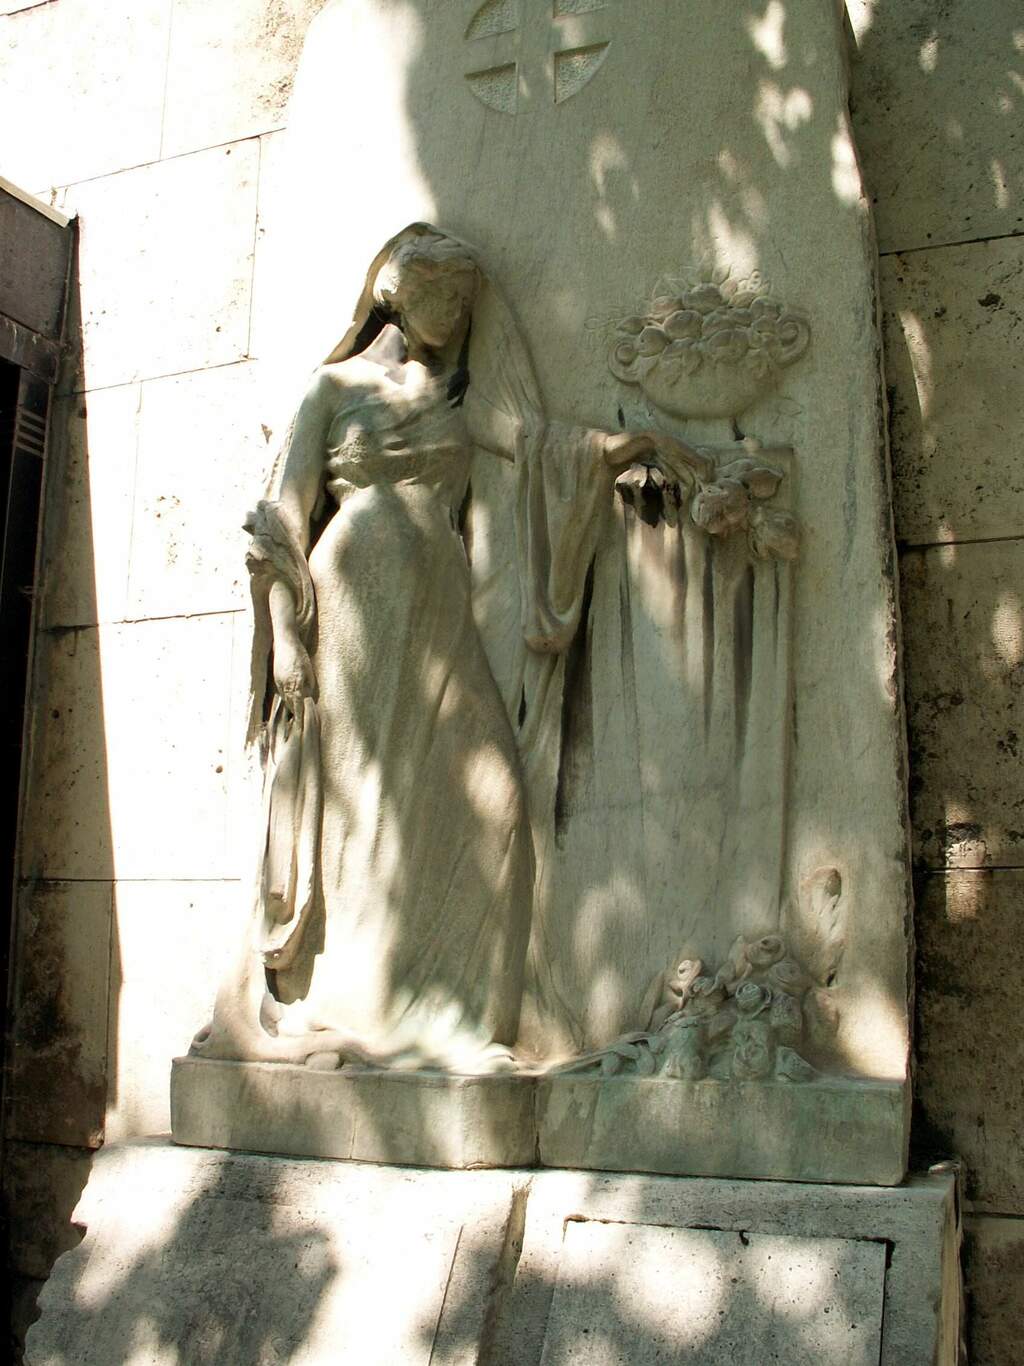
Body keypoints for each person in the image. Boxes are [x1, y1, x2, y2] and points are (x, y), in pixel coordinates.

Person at [193, 224, 706, 1073]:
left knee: (495, 803)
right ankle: (356, 999)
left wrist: (639, 445)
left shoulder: (455, 398)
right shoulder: (333, 389)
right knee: (366, 811)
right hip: (353, 605)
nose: (463, 311)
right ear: (400, 289)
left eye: (469, 298)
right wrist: (284, 637)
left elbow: (540, 446)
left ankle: (455, 1017)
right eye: (450, 294)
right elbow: (279, 521)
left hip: (435, 607)